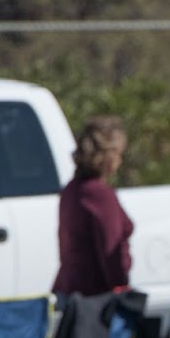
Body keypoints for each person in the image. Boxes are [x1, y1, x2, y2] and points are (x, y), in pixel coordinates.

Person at [53, 117, 133, 297]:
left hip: (68, 291)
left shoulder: (71, 190)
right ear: (109, 156)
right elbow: (110, 250)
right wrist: (121, 291)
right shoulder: (100, 195)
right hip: (94, 299)